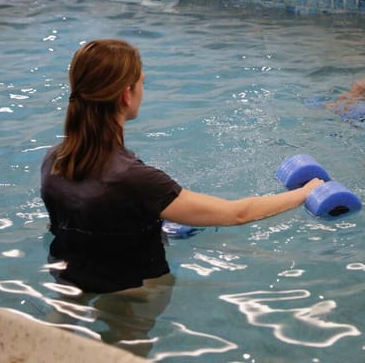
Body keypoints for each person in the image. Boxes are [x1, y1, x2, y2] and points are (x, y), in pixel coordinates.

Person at [40, 39, 324, 294]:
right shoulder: (136, 180)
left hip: (68, 274)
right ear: (127, 95)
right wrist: (305, 192)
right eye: (142, 82)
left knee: (62, 327)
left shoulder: (54, 160)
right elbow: (237, 213)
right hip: (133, 288)